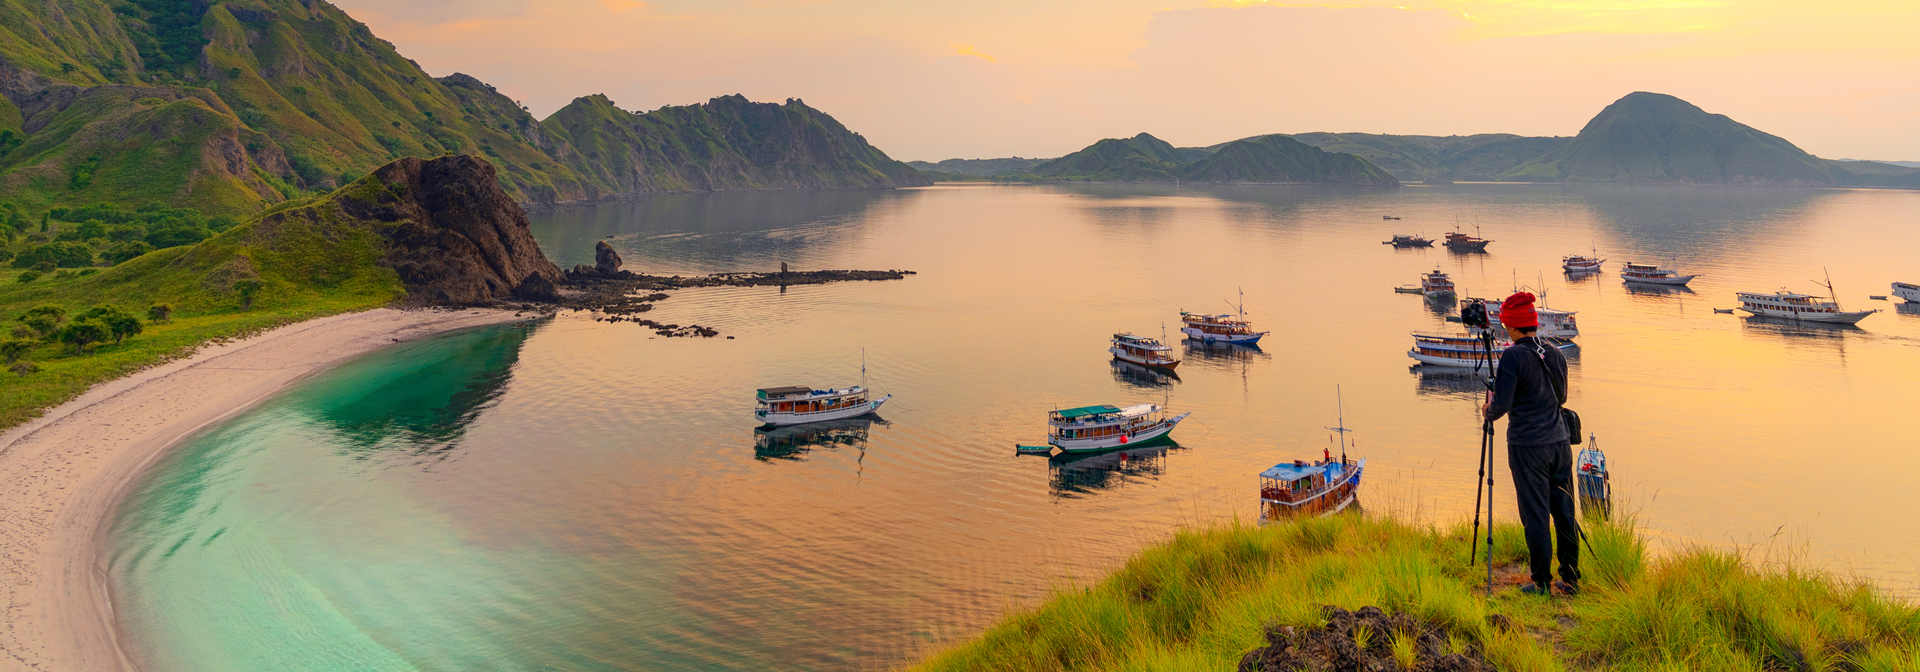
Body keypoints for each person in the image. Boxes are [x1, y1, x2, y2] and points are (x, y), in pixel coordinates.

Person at [1482, 292, 1580, 596]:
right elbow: (1561, 397)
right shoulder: (1555, 353)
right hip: (1560, 443)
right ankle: (1571, 579)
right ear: (1534, 324)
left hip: (1528, 446)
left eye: (1505, 324)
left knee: (1535, 514)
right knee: (1564, 512)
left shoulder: (1512, 357)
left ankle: (1540, 582)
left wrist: (1488, 408)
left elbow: (1500, 407)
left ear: (1512, 326)